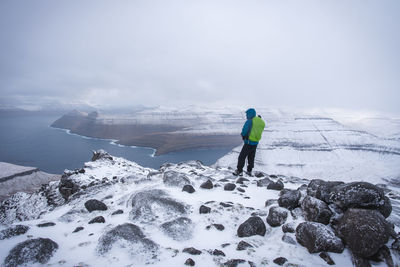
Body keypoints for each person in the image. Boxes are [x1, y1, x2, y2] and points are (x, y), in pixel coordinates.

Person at [233, 108, 265, 176]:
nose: (246, 115)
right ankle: (249, 171)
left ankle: (239, 170)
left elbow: (245, 129)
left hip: (248, 142)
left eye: (247, 114)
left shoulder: (250, 121)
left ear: (250, 114)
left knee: (242, 157)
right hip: (255, 143)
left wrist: (243, 135)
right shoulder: (259, 121)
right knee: (251, 157)